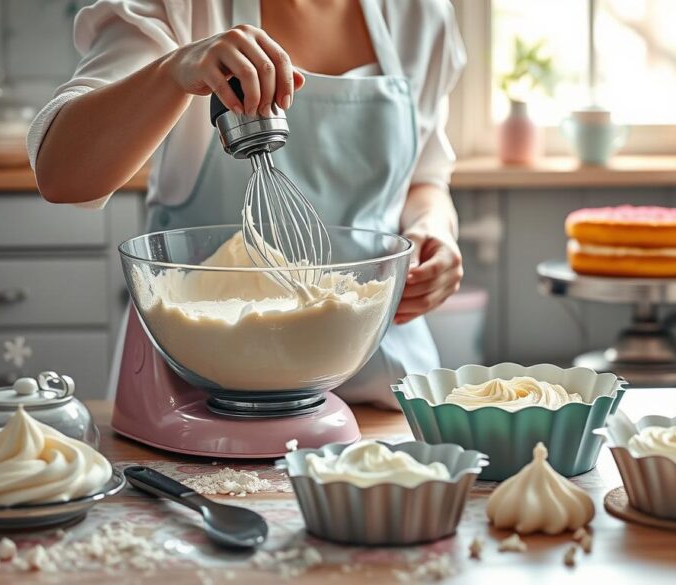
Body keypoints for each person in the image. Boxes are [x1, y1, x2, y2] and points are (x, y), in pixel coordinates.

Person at [27, 0, 466, 408]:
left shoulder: (420, 14)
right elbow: (62, 174)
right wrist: (173, 71)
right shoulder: (181, 8)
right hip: (201, 381)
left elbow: (425, 179)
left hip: (380, 378)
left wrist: (434, 231)